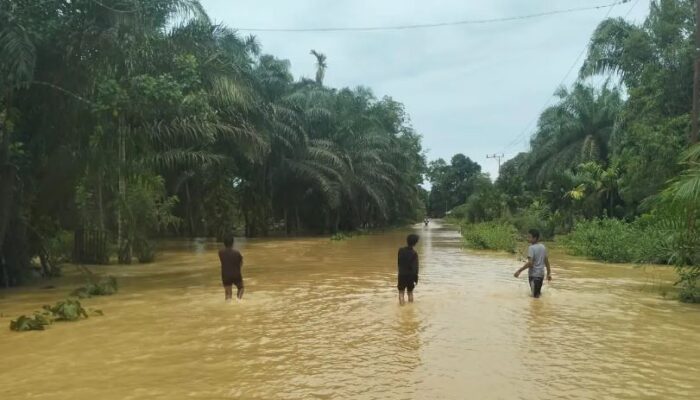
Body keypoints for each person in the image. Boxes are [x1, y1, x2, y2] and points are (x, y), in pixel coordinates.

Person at [514, 229, 551, 298]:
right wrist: (549, 273)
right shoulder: (543, 247)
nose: (528, 239)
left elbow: (530, 263)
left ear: (535, 238)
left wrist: (519, 271)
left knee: (534, 297)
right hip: (541, 275)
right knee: (537, 295)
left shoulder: (531, 248)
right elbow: (546, 261)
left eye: (529, 237)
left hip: (533, 275)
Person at [219, 234, 244, 301]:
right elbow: (241, 263)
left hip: (226, 275)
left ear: (224, 243)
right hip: (236, 274)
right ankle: (239, 300)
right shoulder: (237, 253)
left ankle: (228, 303)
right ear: (233, 243)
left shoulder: (220, 252)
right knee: (241, 288)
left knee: (228, 294)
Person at [397, 234, 420, 305]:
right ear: (415, 243)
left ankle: (402, 307)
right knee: (410, 293)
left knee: (401, 292)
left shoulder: (400, 250)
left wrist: (400, 272)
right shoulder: (414, 253)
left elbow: (399, 262)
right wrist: (416, 278)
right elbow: (415, 267)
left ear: (407, 241)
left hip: (402, 274)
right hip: (410, 275)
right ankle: (410, 309)